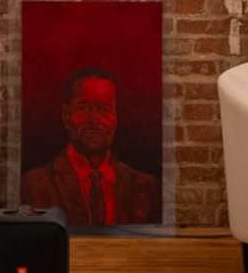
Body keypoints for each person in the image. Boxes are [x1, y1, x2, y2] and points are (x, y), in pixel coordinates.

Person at [23, 67, 164, 228]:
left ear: (116, 117)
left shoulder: (146, 186)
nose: (94, 119)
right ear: (66, 115)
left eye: (104, 109)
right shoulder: (34, 184)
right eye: (83, 107)